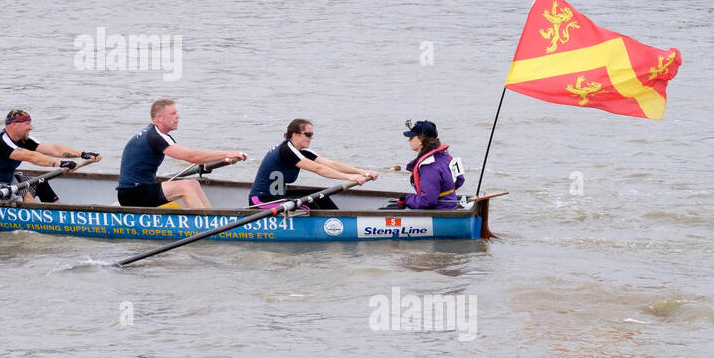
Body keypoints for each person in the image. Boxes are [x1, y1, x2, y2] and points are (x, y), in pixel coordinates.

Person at [115, 99, 245, 209]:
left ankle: (214, 220)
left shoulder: (157, 134)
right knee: (185, 186)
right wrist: (227, 153)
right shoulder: (155, 137)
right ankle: (205, 226)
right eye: (173, 113)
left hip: (141, 190)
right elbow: (192, 157)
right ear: (159, 117)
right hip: (131, 195)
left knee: (194, 183)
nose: (178, 116)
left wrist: (226, 159)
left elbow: (196, 158)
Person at [0, 109, 100, 203]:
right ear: (14, 125)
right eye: (27, 124)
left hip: (6, 180)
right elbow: (31, 157)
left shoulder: (24, 139)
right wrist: (61, 164)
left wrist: (82, 154)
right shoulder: (1, 141)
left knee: (40, 183)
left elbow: (52, 149)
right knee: (24, 191)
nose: (31, 127)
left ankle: (59, 215)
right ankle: (38, 223)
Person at [248, 119, 377, 211]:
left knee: (321, 195)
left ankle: (337, 221)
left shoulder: (302, 151)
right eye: (308, 134)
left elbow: (331, 164)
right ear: (294, 135)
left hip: (279, 197)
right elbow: (318, 169)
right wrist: (350, 178)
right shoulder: (286, 150)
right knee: (309, 205)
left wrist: (361, 172)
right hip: (262, 200)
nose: (311, 138)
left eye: (312, 134)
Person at [383, 120, 464, 211]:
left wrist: (407, 199)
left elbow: (427, 201)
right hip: (450, 208)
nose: (409, 140)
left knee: (385, 209)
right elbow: (460, 180)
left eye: (412, 137)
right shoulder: (445, 156)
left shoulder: (429, 165)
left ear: (421, 140)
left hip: (439, 214)